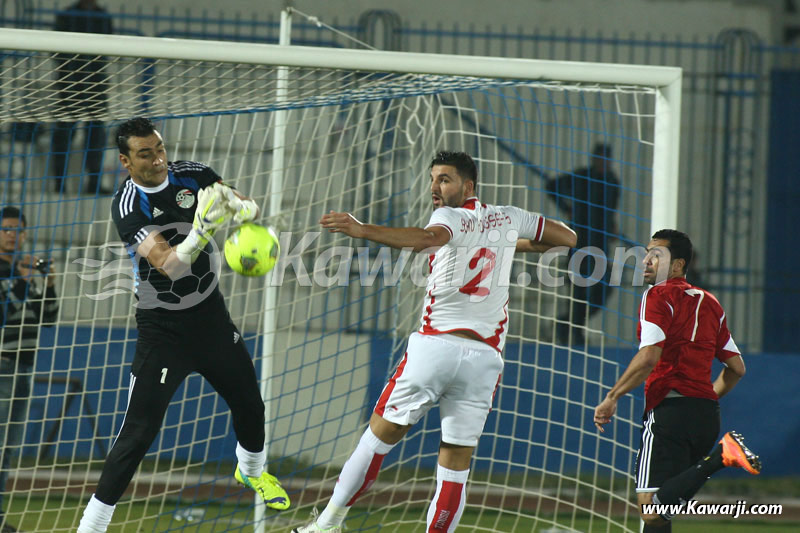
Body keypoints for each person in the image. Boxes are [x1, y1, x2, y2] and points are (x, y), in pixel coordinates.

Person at [290, 151, 577, 533]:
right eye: (434, 180)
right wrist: (512, 244)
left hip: (436, 347)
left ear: (468, 186)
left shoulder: (449, 217)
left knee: (376, 442)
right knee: (455, 469)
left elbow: (428, 238)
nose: (435, 188)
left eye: (445, 179)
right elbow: (567, 238)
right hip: (484, 361)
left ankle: (326, 524)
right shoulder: (509, 218)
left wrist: (361, 229)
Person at [76, 117, 289, 532]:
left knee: (250, 402)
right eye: (145, 153)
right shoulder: (127, 204)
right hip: (163, 329)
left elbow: (246, 205)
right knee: (138, 433)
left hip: (210, 318)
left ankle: (252, 470)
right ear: (125, 161)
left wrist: (243, 208)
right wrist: (202, 229)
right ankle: (93, 524)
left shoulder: (193, 175)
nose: (158, 159)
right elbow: (169, 266)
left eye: (159, 148)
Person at [593, 229, 760, 532]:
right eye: (647, 253)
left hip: (669, 412)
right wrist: (703, 397)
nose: (646, 261)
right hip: (706, 415)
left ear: (678, 265)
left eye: (656, 255)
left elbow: (648, 358)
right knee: (663, 510)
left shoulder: (657, 295)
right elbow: (736, 368)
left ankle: (721, 457)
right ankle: (719, 456)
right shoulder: (711, 303)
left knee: (651, 509)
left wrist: (612, 396)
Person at [0, 206, 59, 533]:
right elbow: (7, 311)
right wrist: (22, 279)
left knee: (7, 448)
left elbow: (47, 319)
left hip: (22, 368)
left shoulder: (21, 272)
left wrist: (48, 281)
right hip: (2, 367)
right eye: (6, 228)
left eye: (17, 230)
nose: (12, 235)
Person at [546, 143, 620, 345]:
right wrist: (566, 207)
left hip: (601, 244)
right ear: (594, 159)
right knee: (578, 289)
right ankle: (575, 333)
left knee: (604, 288)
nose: (603, 163)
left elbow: (609, 211)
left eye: (607, 159)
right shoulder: (581, 177)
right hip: (578, 241)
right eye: (600, 158)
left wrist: (611, 226)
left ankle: (566, 323)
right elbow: (551, 186)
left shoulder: (613, 182)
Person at [51, 0, 113, 195]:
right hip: (70, 80)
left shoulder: (103, 17)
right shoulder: (67, 15)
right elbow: (56, 50)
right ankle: (59, 182)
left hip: (96, 81)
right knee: (64, 130)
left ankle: (93, 181)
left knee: (96, 132)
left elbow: (109, 48)